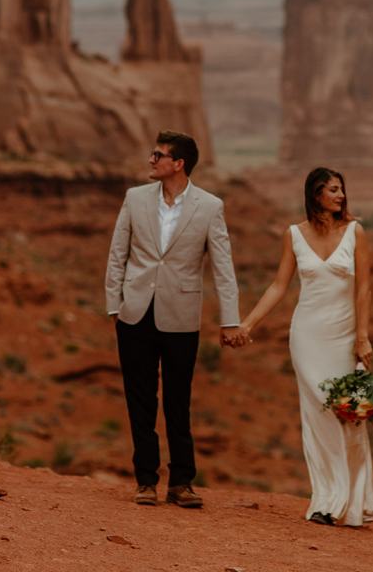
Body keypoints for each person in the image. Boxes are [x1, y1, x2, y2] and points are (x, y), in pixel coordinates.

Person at [105, 130, 243, 508]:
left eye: (158, 155)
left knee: (178, 400)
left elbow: (223, 267)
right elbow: (118, 253)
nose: (151, 160)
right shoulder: (135, 199)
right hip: (135, 312)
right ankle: (146, 480)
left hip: (182, 316)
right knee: (140, 399)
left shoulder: (210, 206)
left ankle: (181, 482)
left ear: (178, 164)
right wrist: (114, 305)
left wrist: (230, 320)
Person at [238, 167, 373, 527]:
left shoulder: (355, 232)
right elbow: (278, 287)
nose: (341, 196)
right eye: (333, 190)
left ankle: (352, 502)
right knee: (318, 411)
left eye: (342, 190)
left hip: (345, 336)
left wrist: (363, 336)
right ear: (316, 194)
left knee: (348, 413)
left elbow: (363, 288)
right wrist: (248, 323)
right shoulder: (293, 235)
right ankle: (325, 500)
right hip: (307, 336)